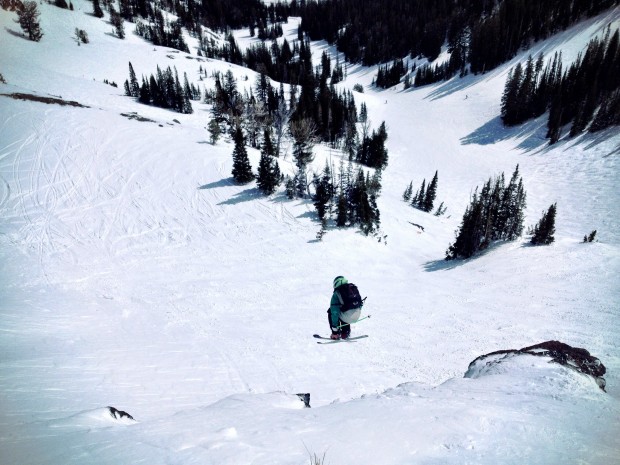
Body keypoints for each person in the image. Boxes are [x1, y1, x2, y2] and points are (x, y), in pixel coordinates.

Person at [328, 276, 363, 340]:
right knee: (345, 310)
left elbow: (334, 312)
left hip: (347, 317)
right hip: (357, 315)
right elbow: (360, 303)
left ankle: (336, 334)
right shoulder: (353, 288)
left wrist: (334, 331)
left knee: (331, 311)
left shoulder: (337, 293)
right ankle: (345, 332)